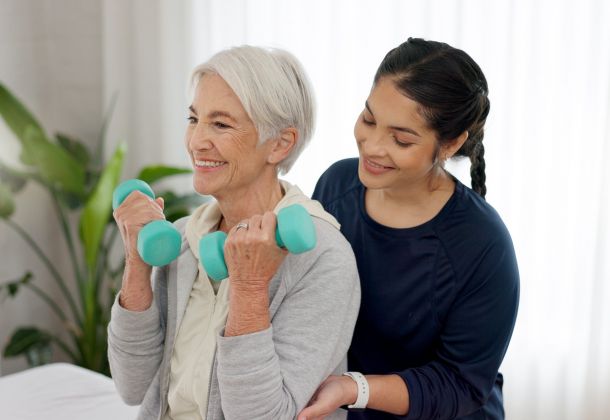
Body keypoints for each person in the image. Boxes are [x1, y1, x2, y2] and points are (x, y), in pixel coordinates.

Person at [108, 45, 360, 420]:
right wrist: (135, 262)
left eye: (221, 124)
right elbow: (132, 386)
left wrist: (250, 287)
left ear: (280, 143)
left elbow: (261, 415)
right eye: (194, 119)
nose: (196, 142)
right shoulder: (182, 239)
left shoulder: (323, 258)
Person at [298, 38, 519, 420]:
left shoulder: (482, 243)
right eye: (368, 120)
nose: (372, 146)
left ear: (450, 143)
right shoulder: (336, 186)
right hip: (347, 407)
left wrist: (354, 387)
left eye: (400, 139)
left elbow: (461, 384)